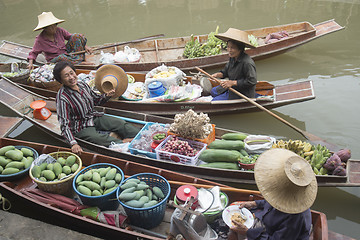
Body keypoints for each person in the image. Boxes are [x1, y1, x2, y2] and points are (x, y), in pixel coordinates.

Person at [228, 148, 317, 240]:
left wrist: (247, 232)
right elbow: (270, 202)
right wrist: (254, 203)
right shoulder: (281, 193)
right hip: (266, 224)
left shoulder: (295, 218)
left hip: (273, 235)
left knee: (232, 235)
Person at [54, 61, 139, 155]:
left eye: (71, 73)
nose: (71, 77)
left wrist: (106, 96)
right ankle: (124, 143)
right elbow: (64, 124)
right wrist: (73, 143)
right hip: (80, 126)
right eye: (66, 76)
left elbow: (96, 100)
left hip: (93, 116)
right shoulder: (62, 97)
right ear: (61, 80)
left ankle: (139, 135)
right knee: (98, 138)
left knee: (120, 123)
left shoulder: (82, 85)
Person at [28, 12, 93, 70]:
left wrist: (85, 47)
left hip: (66, 53)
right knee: (62, 57)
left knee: (76, 36)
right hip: (55, 59)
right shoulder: (40, 39)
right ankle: (79, 62)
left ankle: (78, 59)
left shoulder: (59, 30)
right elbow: (33, 53)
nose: (54, 28)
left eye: (55, 25)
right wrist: (30, 64)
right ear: (45, 28)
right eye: (51, 27)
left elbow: (72, 37)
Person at [210, 28, 257, 101]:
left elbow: (252, 81)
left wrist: (233, 83)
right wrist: (217, 75)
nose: (229, 50)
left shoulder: (247, 63)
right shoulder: (232, 58)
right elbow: (225, 72)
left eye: (232, 48)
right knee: (213, 91)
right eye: (228, 47)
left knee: (215, 101)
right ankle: (225, 93)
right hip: (231, 87)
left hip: (242, 92)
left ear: (240, 49)